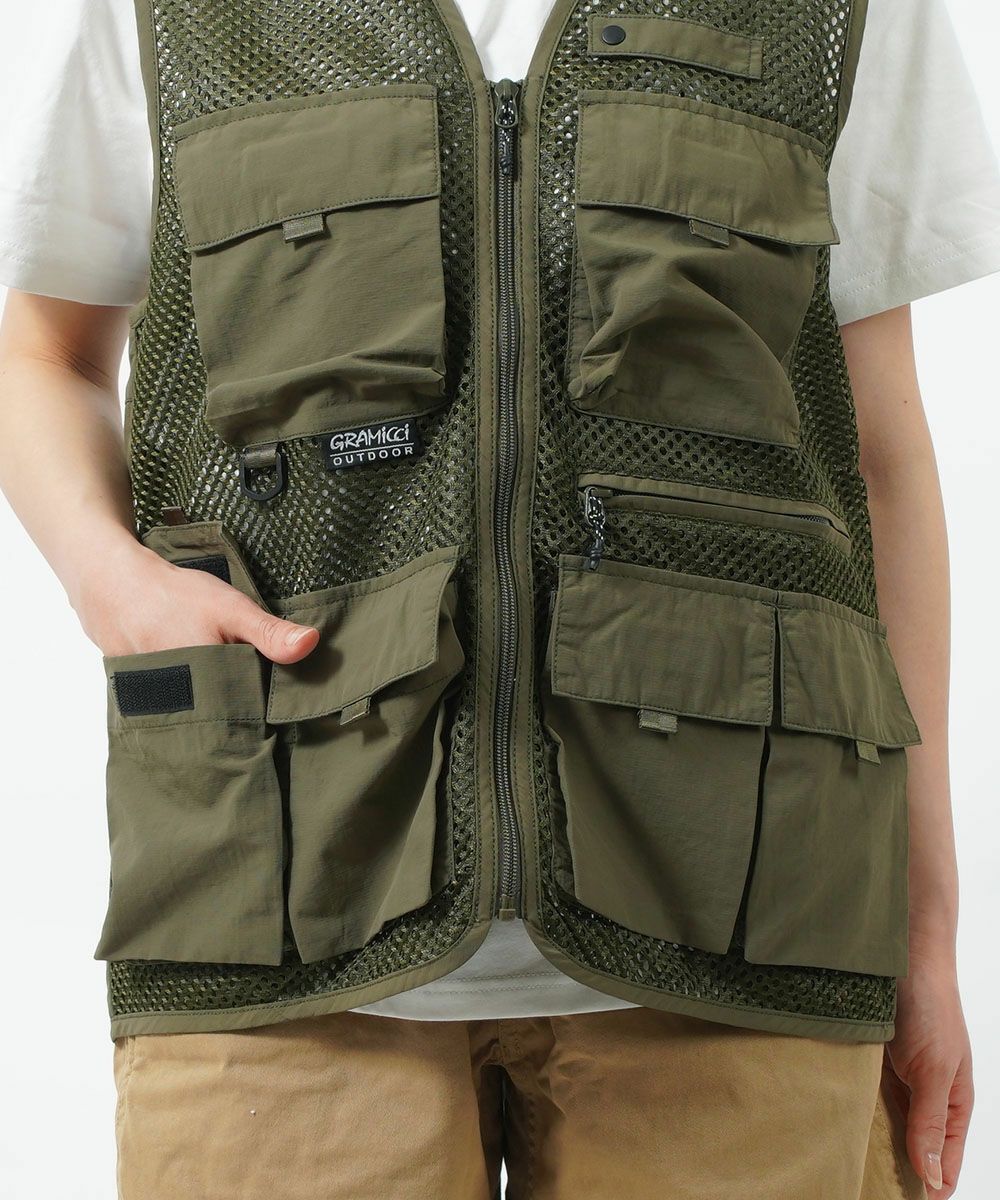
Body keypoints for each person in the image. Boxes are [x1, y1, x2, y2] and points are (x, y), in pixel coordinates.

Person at [1, 1, 998, 1197]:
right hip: (272, 907)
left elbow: (877, 464)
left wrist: (923, 932)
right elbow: (43, 352)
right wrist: (110, 582)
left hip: (748, 926)